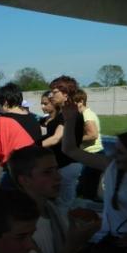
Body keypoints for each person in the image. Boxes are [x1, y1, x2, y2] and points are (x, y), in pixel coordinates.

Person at [62, 105, 127, 253]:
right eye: (115, 149)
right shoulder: (112, 166)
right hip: (109, 240)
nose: (114, 155)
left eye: (120, 152)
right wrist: (69, 120)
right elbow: (70, 150)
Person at [49, 75, 84, 214]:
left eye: (54, 92)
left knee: (62, 208)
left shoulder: (69, 113)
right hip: (64, 164)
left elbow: (56, 138)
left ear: (65, 93)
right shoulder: (63, 112)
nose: (51, 95)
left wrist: (33, 145)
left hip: (66, 165)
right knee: (60, 205)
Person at [0, 83, 41, 168]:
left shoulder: (0, 121)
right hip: (36, 167)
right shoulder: (34, 119)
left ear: (5, 103)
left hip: (13, 169)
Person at [74, 89, 104, 200]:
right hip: (92, 155)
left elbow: (93, 135)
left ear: (81, 101)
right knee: (86, 189)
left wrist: (74, 139)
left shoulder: (87, 115)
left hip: (93, 155)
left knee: (86, 191)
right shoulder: (84, 114)